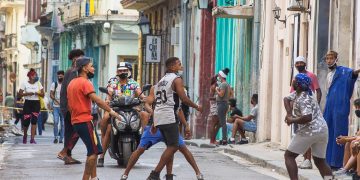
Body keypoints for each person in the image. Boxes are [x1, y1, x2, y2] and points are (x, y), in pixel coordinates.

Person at [146, 57, 202, 180]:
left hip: (159, 116)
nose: (181, 66)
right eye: (178, 64)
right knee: (174, 146)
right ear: (171, 67)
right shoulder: (176, 79)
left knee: (171, 146)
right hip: (168, 116)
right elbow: (184, 99)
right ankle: (154, 174)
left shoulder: (161, 81)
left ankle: (168, 175)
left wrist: (155, 122)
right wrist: (197, 106)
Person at [67, 57, 122, 180]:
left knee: (95, 150)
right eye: (91, 66)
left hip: (76, 121)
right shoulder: (85, 83)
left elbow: (69, 105)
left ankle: (94, 177)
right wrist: (111, 111)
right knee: (92, 152)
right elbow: (97, 100)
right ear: (85, 68)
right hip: (84, 120)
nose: (93, 68)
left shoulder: (72, 83)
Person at [120, 109, 204, 180]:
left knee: (178, 148)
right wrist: (154, 116)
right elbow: (147, 104)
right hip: (155, 126)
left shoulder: (175, 93)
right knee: (140, 149)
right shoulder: (155, 89)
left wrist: (186, 125)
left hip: (170, 126)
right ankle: (125, 174)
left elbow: (179, 110)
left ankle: (196, 173)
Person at [97, 62, 148, 167]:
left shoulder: (133, 83)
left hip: (132, 109)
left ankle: (144, 137)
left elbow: (140, 93)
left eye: (125, 70)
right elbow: (109, 93)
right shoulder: (113, 82)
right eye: (120, 71)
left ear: (128, 71)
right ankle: (101, 156)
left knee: (144, 115)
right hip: (116, 110)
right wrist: (108, 99)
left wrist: (143, 98)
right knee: (108, 124)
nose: (123, 72)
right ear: (117, 72)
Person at [283, 73, 332, 180]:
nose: (293, 81)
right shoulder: (300, 94)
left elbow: (308, 117)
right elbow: (286, 99)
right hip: (322, 130)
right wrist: (289, 113)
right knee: (320, 161)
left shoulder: (303, 99)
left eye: (295, 80)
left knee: (289, 156)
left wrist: (292, 120)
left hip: (310, 131)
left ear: (299, 85)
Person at [323, 50, 360, 169]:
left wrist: (358, 70)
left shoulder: (344, 71)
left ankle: (338, 162)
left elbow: (353, 74)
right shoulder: (328, 75)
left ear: (336, 59)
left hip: (340, 107)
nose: (329, 60)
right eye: (327, 58)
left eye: (331, 58)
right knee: (328, 132)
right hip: (329, 106)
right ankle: (328, 161)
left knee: (339, 132)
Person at [290, 56, 322, 169]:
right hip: (299, 111)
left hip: (308, 111)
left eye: (301, 63)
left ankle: (308, 160)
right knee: (303, 134)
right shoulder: (296, 78)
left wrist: (316, 106)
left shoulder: (311, 76)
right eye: (297, 63)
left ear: (305, 64)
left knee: (307, 134)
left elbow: (318, 91)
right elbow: (291, 95)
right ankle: (306, 159)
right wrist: (290, 112)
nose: (299, 65)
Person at [57, 49, 84, 165]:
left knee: (70, 131)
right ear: (75, 59)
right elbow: (70, 90)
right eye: (81, 58)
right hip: (71, 107)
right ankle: (65, 152)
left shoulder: (72, 71)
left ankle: (67, 155)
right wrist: (70, 106)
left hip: (68, 106)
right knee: (77, 130)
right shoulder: (73, 72)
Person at [18, 68, 45, 144]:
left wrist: (38, 93)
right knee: (26, 121)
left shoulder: (38, 83)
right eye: (34, 75)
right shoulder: (24, 83)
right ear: (30, 76)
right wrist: (27, 94)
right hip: (27, 103)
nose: (35, 76)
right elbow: (19, 94)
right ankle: (25, 136)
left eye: (35, 75)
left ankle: (32, 139)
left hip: (36, 103)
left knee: (34, 121)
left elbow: (43, 94)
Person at [216, 68, 230, 145]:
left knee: (222, 122)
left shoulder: (223, 84)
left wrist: (216, 90)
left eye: (219, 75)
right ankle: (224, 138)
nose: (218, 76)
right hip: (224, 103)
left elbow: (221, 94)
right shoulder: (226, 84)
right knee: (222, 122)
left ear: (221, 76)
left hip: (222, 104)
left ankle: (224, 139)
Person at [50, 70, 65, 143]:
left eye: (61, 76)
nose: (60, 77)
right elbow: (51, 94)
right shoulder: (54, 84)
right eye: (58, 76)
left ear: (63, 76)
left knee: (63, 123)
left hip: (64, 107)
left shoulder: (65, 84)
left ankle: (61, 138)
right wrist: (56, 101)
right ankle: (55, 137)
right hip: (55, 106)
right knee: (55, 122)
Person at [209, 75, 220, 144]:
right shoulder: (213, 87)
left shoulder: (216, 86)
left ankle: (213, 139)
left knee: (219, 123)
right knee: (214, 124)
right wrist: (218, 98)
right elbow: (210, 97)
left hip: (216, 106)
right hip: (214, 106)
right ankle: (212, 140)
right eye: (217, 79)